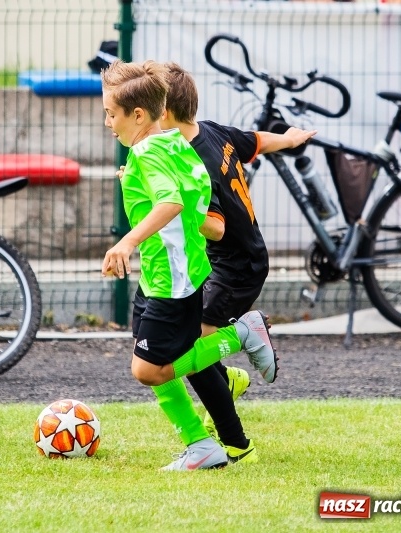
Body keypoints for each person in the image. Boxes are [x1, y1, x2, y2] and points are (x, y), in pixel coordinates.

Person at [100, 59, 278, 471]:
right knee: (147, 359)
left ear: (138, 115)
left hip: (172, 282)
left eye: (112, 113)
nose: (107, 121)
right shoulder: (174, 143)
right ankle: (201, 444)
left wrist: (126, 242)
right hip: (168, 273)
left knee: (150, 371)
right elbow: (196, 196)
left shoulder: (147, 153)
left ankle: (240, 336)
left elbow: (173, 202)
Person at [158, 62, 316, 462]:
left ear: (163, 113)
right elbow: (254, 142)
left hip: (232, 266)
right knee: (196, 347)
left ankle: (247, 337)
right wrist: (288, 138)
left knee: (190, 346)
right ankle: (227, 386)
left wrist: (169, 207)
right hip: (242, 258)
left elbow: (216, 227)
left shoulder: (190, 164)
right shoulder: (211, 131)